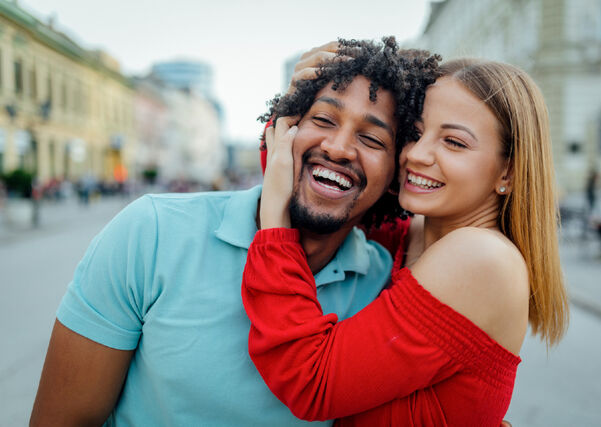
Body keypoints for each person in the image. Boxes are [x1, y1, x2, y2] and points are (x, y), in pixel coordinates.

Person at [29, 38, 440, 426]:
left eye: (371, 138)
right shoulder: (150, 232)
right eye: (322, 119)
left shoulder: (385, 281)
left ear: (395, 176)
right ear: (281, 131)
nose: (338, 147)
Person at [242, 58, 570, 426]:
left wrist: (274, 224)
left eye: (453, 142)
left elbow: (312, 381)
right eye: (414, 133)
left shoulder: (481, 257)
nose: (416, 154)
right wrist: (305, 99)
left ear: (507, 171)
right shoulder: (413, 234)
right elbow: (324, 192)